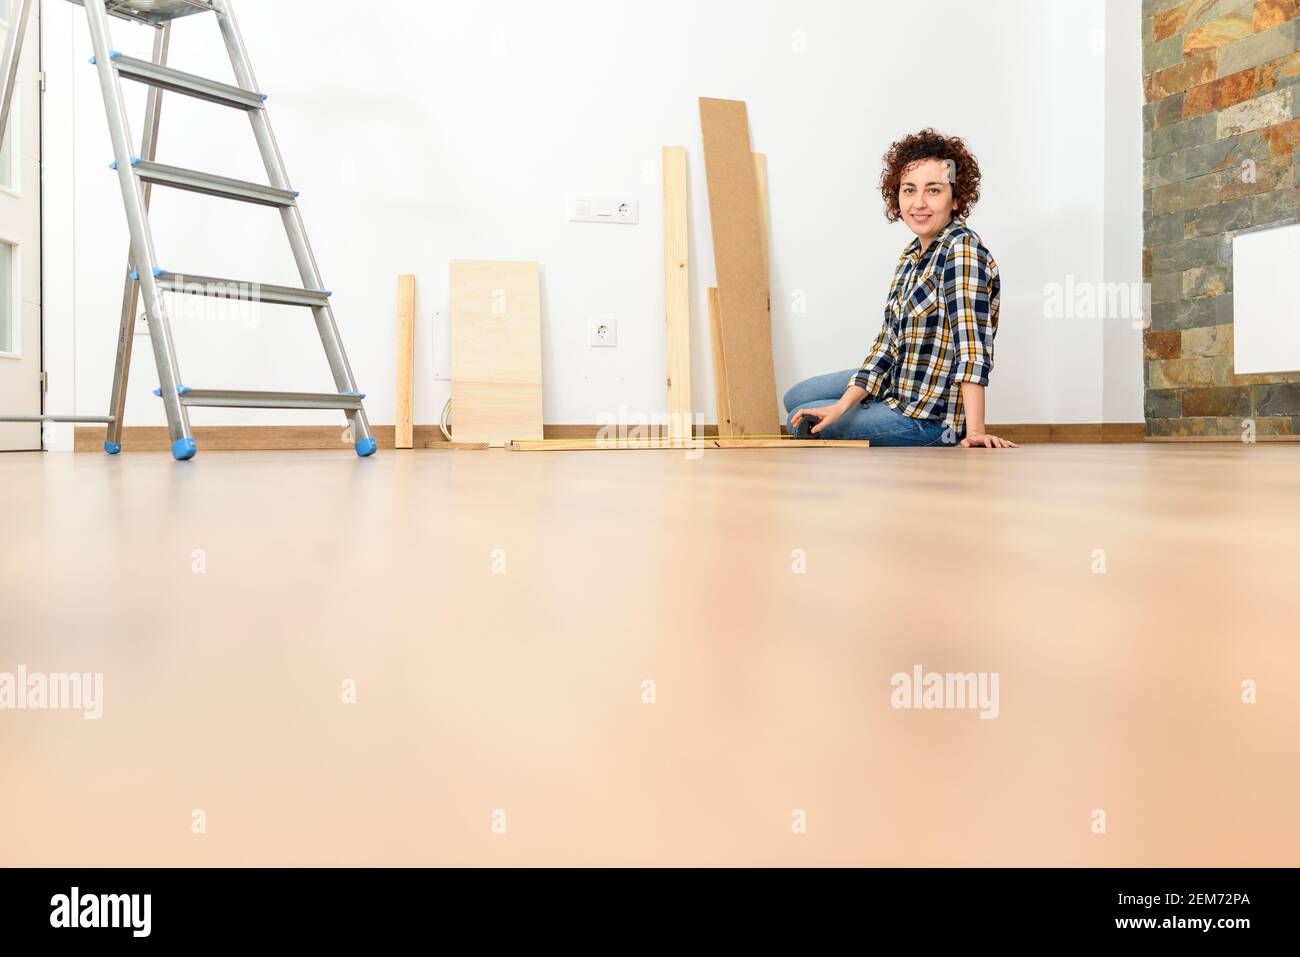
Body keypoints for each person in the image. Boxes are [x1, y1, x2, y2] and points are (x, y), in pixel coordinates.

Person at [785, 128, 1017, 449]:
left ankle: (891, 419)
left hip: (928, 419)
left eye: (933, 190)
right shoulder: (912, 253)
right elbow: (887, 345)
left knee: (797, 417)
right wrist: (842, 407)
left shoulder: (961, 251)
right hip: (899, 384)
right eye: (909, 190)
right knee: (797, 397)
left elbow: (971, 350)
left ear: (957, 197)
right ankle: (873, 408)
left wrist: (974, 431)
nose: (918, 203)